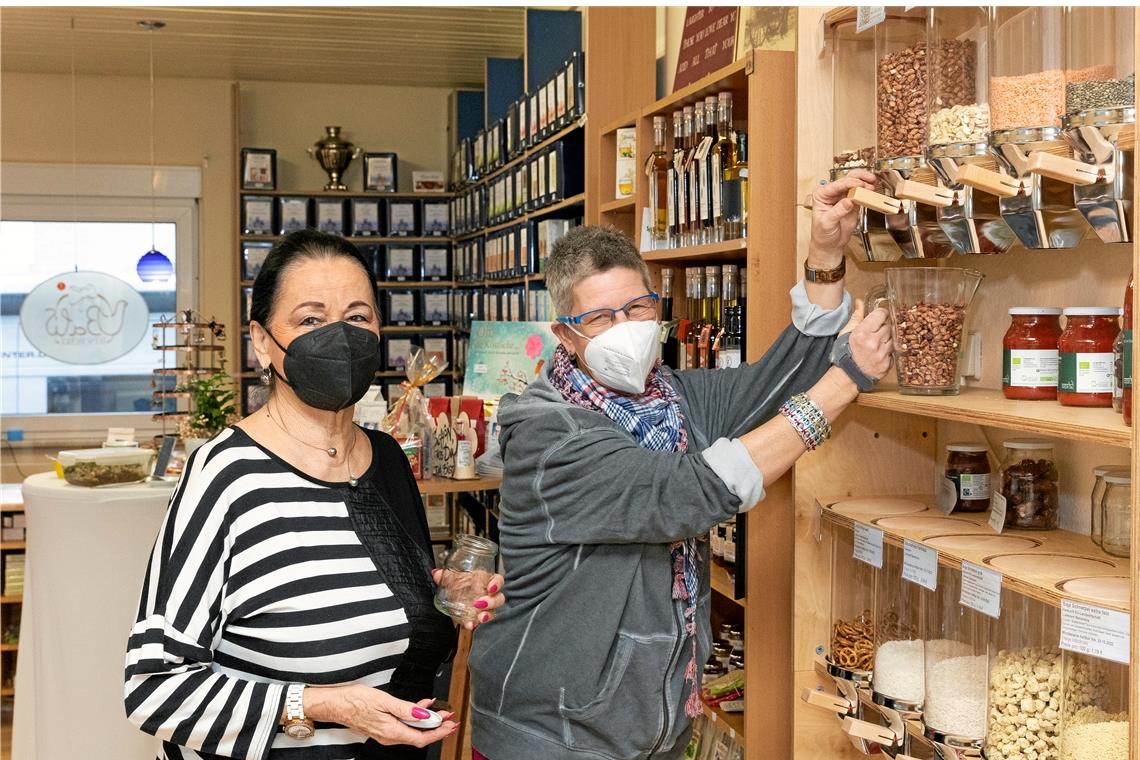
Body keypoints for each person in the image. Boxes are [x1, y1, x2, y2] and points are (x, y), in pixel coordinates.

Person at [467, 170, 891, 760]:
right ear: (565, 336)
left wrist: (824, 252)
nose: (626, 328)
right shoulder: (550, 435)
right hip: (553, 738)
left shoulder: (670, 398)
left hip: (651, 732)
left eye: (638, 306)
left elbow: (775, 385)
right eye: (601, 317)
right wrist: (846, 383)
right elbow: (685, 494)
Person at [124, 229, 505, 760]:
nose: (340, 337)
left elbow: (379, 601)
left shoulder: (387, 460)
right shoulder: (227, 475)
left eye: (357, 317)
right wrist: (322, 705)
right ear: (262, 341)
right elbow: (154, 689)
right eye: (309, 319)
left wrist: (448, 594)